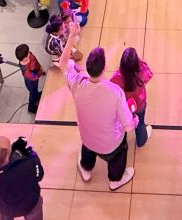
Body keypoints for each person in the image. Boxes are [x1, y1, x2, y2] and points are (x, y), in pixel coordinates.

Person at [56, 26, 137, 190]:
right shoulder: (115, 93)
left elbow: (63, 63)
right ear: (104, 67)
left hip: (87, 136)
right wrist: (134, 119)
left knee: (87, 150)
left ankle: (85, 168)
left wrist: (72, 35)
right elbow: (128, 127)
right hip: (111, 143)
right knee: (119, 155)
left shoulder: (77, 83)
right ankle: (115, 180)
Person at [0, 135, 45, 220]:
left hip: (3, 207)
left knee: (5, 214)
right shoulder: (23, 169)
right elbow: (39, 175)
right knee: (34, 214)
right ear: (7, 158)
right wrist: (30, 153)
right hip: (28, 205)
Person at [112, 46, 154, 147]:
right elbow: (150, 74)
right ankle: (141, 141)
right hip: (139, 104)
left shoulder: (116, 77)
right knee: (140, 123)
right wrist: (140, 62)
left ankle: (120, 142)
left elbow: (112, 90)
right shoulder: (142, 72)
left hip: (124, 106)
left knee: (123, 124)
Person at [14, 44, 44, 114]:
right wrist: (40, 72)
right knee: (32, 93)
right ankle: (31, 107)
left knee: (35, 90)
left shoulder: (29, 55)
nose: (30, 53)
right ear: (25, 59)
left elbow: (35, 60)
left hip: (35, 76)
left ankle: (36, 95)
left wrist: (39, 67)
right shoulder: (26, 71)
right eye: (28, 54)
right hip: (31, 82)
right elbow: (34, 77)